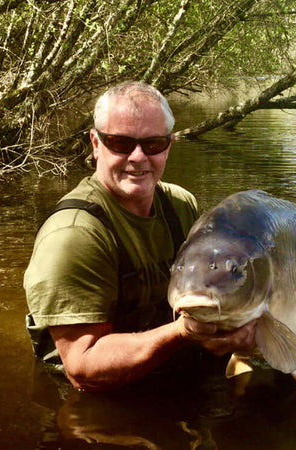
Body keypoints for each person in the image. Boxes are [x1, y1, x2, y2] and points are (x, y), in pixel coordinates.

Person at [24, 81, 256, 392]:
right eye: (120, 143)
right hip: (100, 398)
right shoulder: (73, 236)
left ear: (169, 146)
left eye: (153, 144)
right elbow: (82, 366)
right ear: (96, 144)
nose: (138, 157)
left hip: (172, 370)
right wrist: (184, 332)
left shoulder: (181, 205)